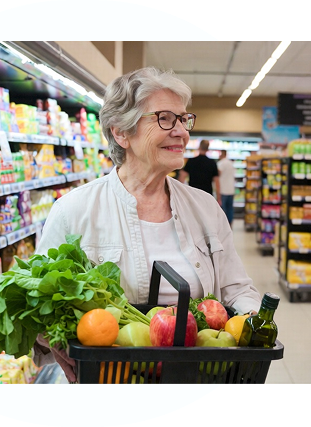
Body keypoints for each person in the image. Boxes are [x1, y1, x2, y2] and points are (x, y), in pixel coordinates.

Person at [32, 66, 261, 382]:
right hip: (108, 382)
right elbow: (37, 307)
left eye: (184, 119)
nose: (181, 131)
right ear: (120, 132)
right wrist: (51, 339)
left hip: (196, 375)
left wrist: (254, 321)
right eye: (165, 118)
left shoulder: (205, 208)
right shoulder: (74, 211)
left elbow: (237, 288)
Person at [179, 139, 221, 205]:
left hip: (192, 194)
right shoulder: (212, 163)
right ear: (207, 149)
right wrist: (219, 198)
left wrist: (180, 194)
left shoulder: (191, 161)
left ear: (199, 147)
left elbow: (182, 177)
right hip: (207, 195)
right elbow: (217, 182)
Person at [216, 149, 236, 227]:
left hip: (223, 189)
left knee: (222, 209)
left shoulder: (220, 163)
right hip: (231, 189)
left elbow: (218, 175)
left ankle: (223, 225)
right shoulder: (231, 163)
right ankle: (230, 223)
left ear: (222, 154)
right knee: (230, 208)